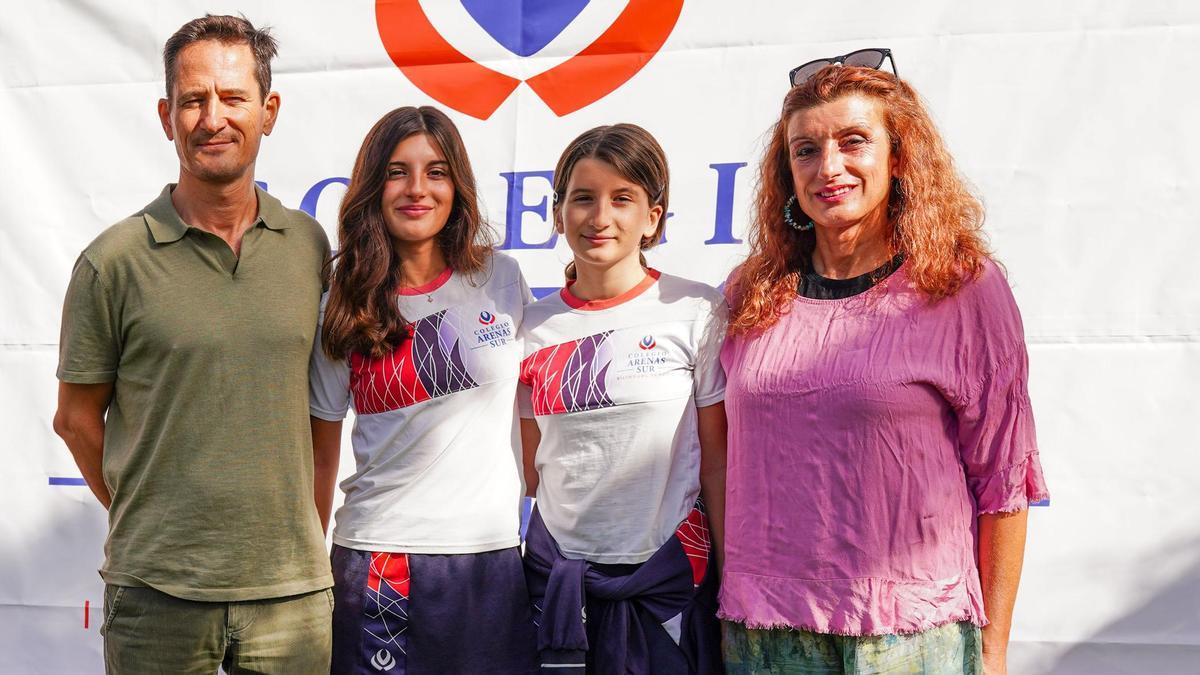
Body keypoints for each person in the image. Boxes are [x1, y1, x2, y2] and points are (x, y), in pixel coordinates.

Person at [718, 51, 1050, 675]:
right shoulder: (748, 295)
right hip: (764, 633)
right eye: (806, 150)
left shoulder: (962, 288)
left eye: (854, 142)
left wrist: (995, 651)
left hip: (912, 637)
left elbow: (1005, 482)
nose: (830, 167)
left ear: (897, 157)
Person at [52, 14, 333, 674]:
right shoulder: (112, 262)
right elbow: (75, 418)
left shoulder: (310, 249)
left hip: (291, 597)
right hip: (156, 598)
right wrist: (152, 517)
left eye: (233, 98)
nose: (213, 118)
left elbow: (324, 415)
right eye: (193, 100)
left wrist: (304, 541)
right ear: (165, 114)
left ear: (269, 111)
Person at [308, 105, 538, 674]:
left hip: (490, 559)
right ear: (371, 186)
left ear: (457, 186)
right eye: (396, 171)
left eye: (436, 172)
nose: (417, 189)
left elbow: (538, 416)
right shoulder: (343, 300)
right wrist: (311, 575)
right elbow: (318, 451)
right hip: (383, 556)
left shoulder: (500, 278)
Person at [518, 123, 728, 674]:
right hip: (560, 592)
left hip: (670, 588)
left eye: (622, 199)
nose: (599, 217)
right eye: (582, 198)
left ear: (652, 217)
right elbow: (529, 469)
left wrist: (732, 580)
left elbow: (718, 465)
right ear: (559, 210)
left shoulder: (696, 310)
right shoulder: (529, 328)